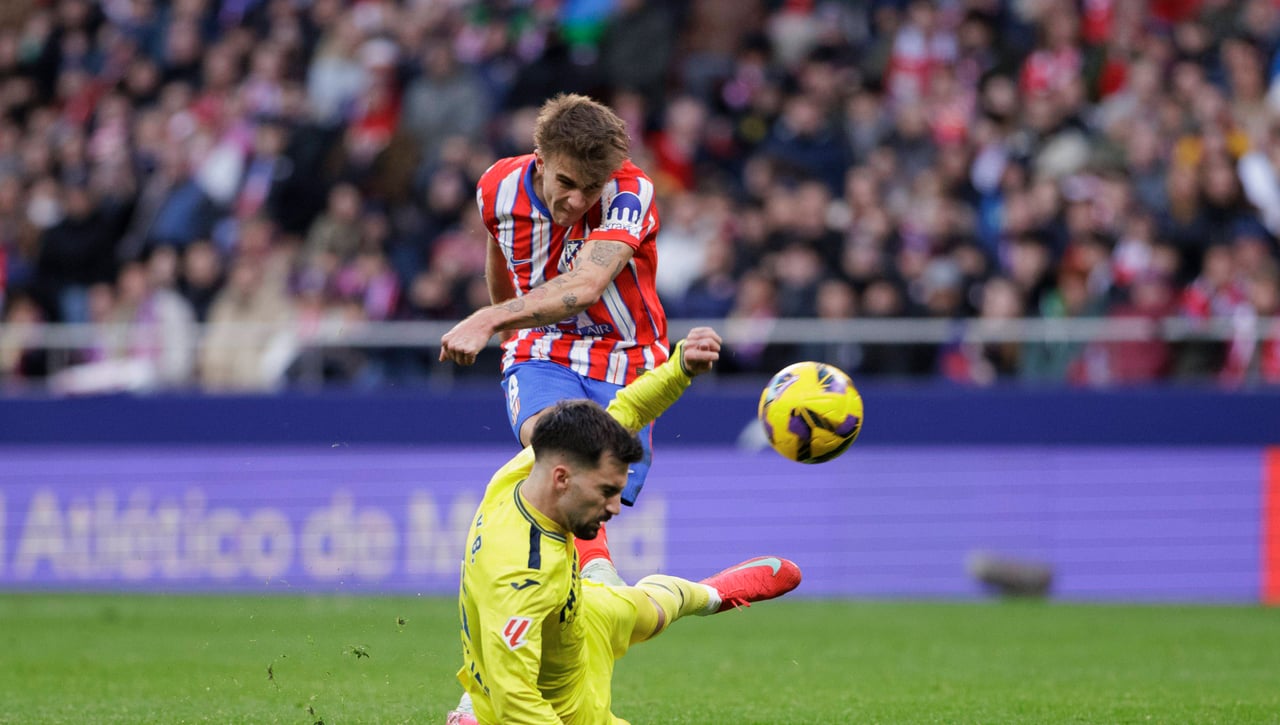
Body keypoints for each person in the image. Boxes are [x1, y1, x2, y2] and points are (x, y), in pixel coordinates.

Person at [447, 328, 802, 725]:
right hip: (561, 707)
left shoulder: (526, 469)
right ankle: (471, 712)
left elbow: (626, 410)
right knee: (505, 687)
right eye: (606, 491)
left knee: (649, 607)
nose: (616, 507)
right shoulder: (522, 577)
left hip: (578, 613)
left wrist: (680, 366)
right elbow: (517, 701)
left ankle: (710, 595)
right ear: (562, 479)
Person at [439, 93, 667, 585]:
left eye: (591, 188)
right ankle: (591, 579)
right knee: (558, 446)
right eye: (566, 183)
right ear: (540, 160)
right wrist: (508, 332)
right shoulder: (496, 188)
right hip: (541, 347)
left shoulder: (631, 192)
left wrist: (487, 320)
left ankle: (580, 585)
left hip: (625, 359)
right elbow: (502, 254)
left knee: (595, 486)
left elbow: (585, 287)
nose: (577, 201)